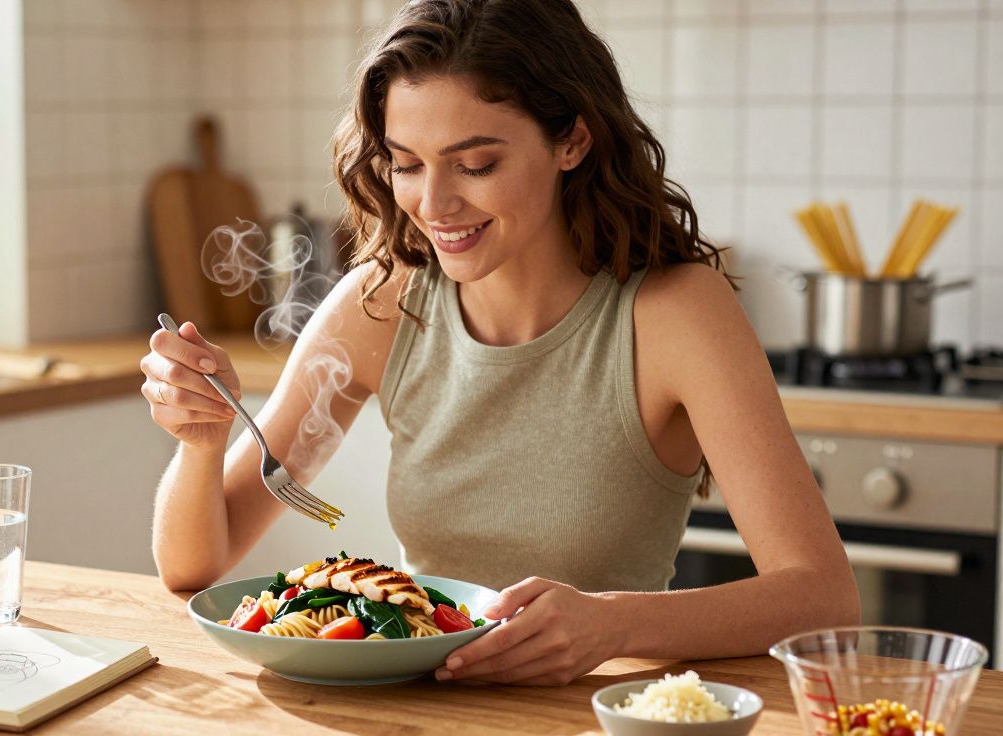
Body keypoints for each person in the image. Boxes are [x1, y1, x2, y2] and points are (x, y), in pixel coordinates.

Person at [141, 0, 858, 685]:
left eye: (476, 165)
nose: (433, 204)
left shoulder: (673, 313)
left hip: (601, 713)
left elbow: (823, 599)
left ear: (572, 140)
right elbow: (194, 567)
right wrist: (201, 442)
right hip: (419, 713)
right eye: (407, 164)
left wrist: (615, 625)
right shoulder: (382, 302)